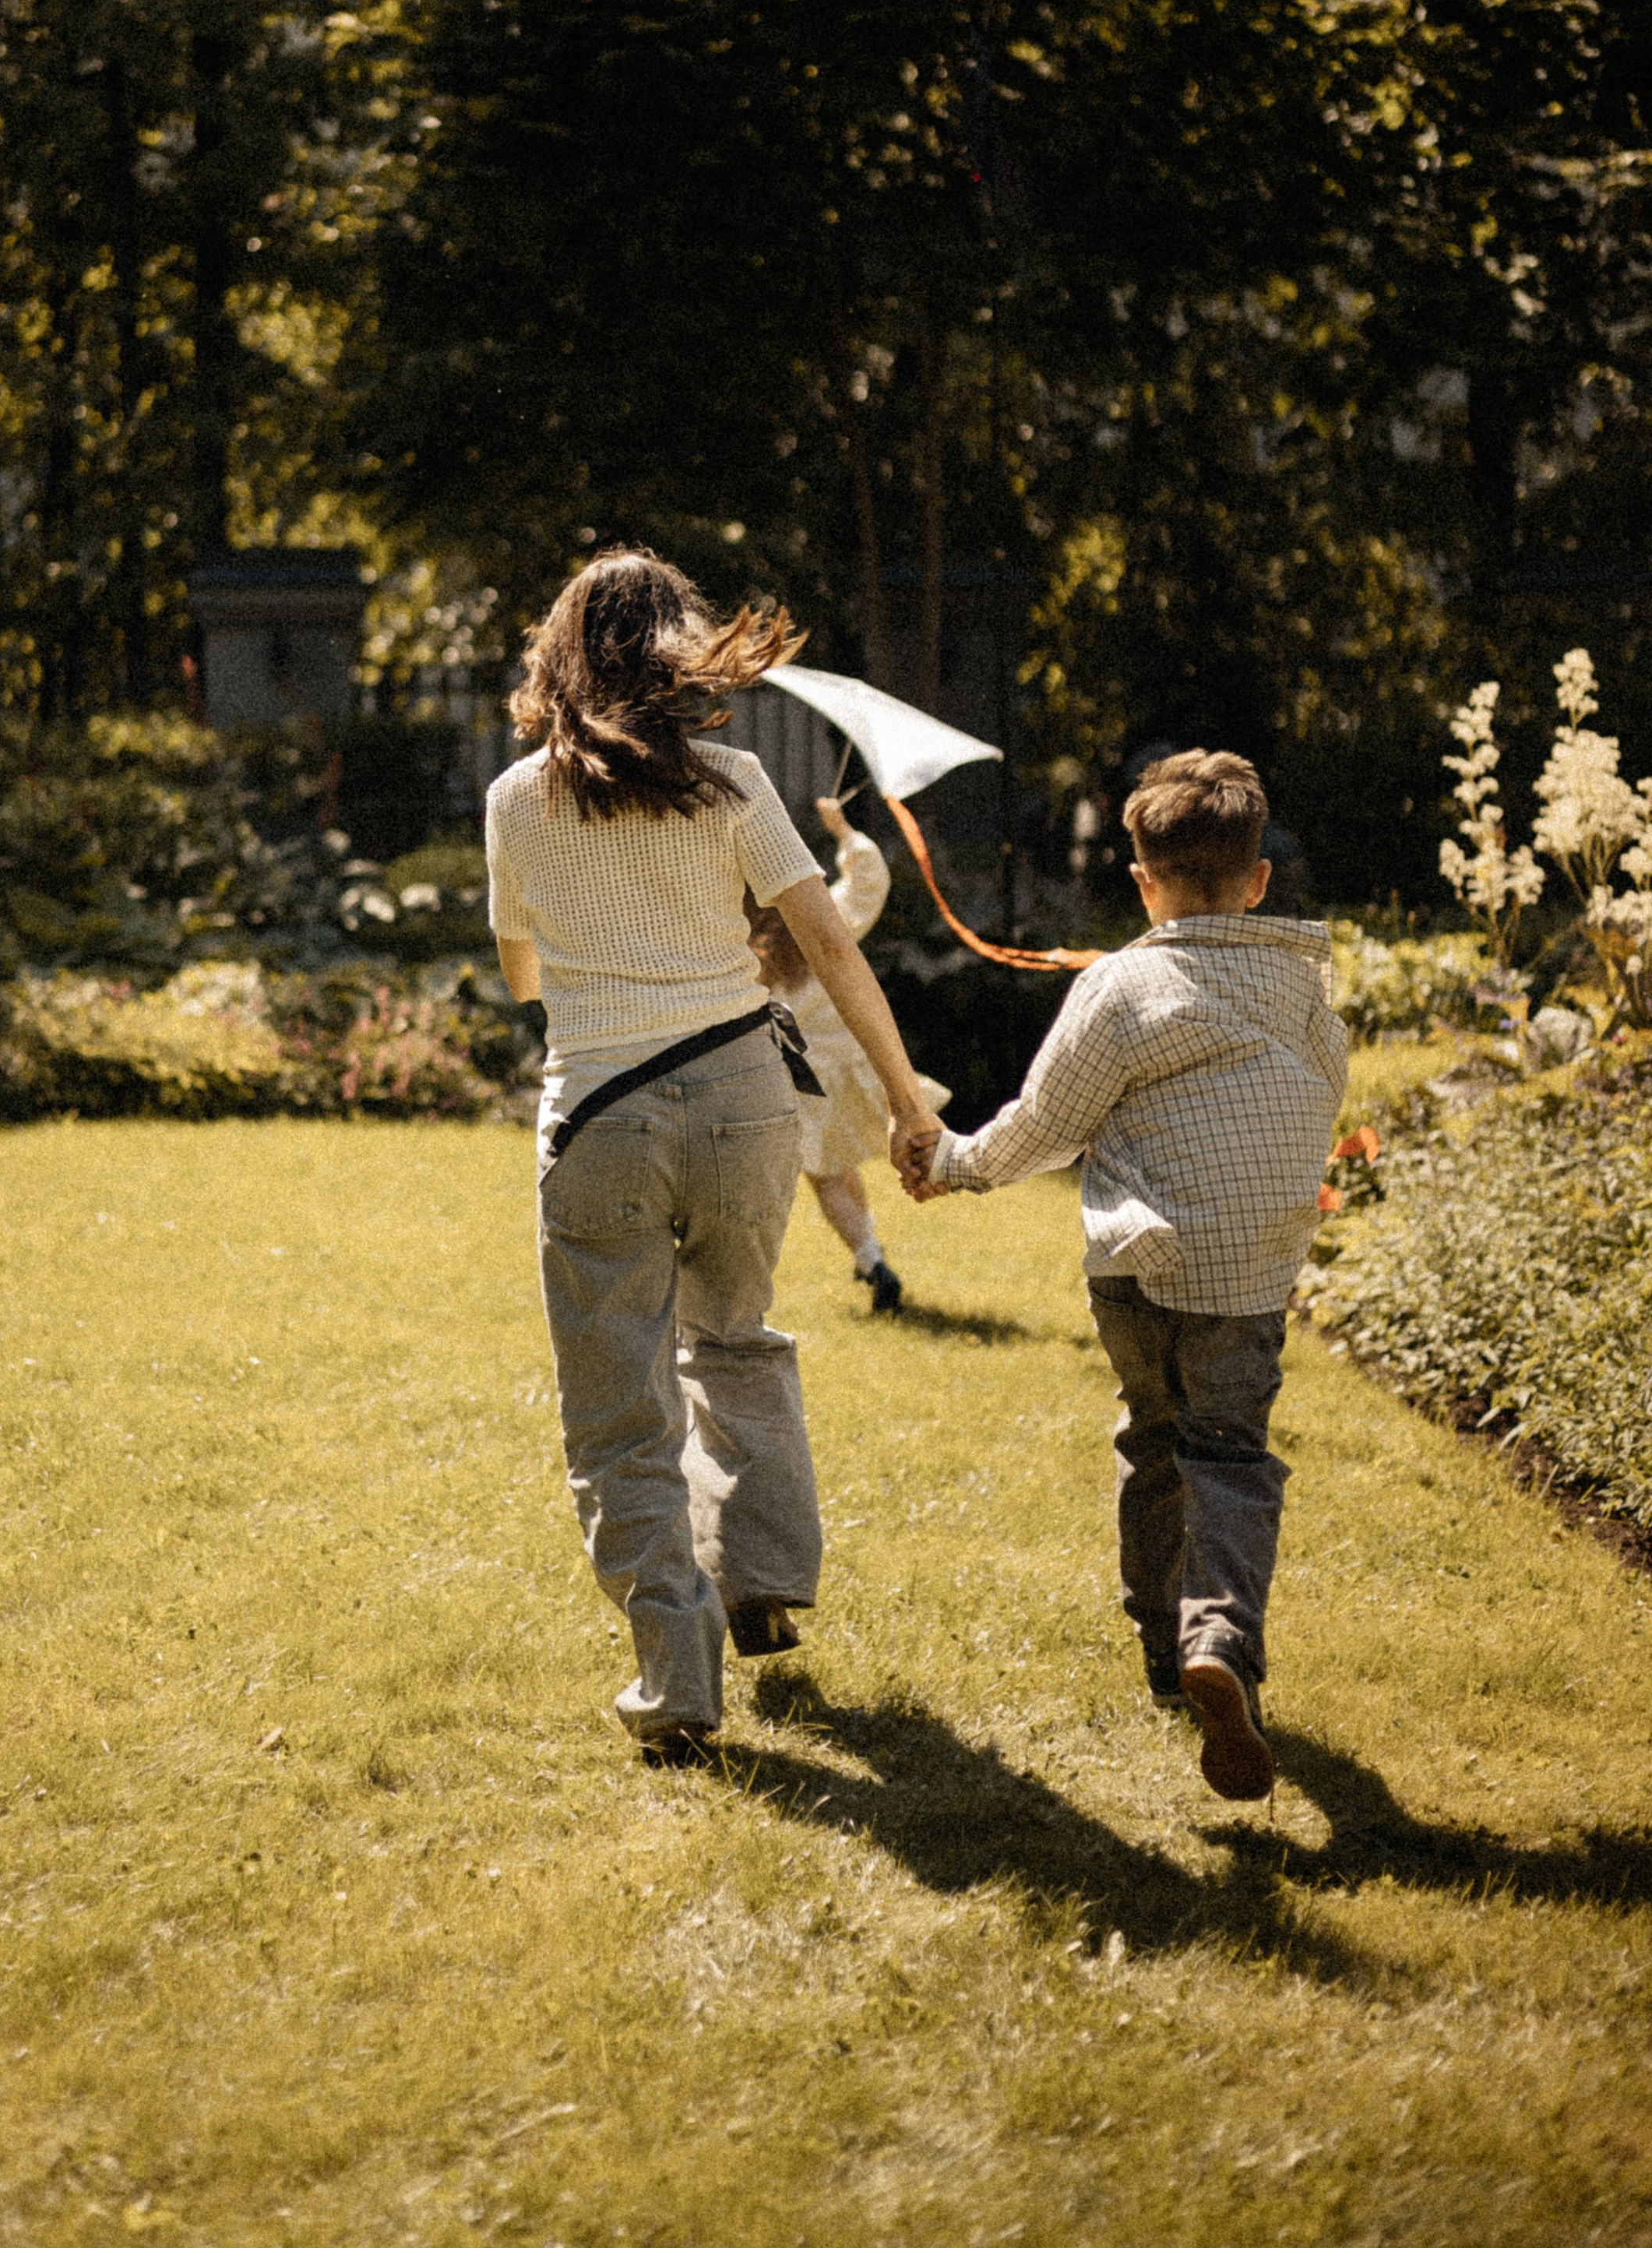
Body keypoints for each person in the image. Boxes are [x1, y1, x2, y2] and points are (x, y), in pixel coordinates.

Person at [487, 550, 942, 1769]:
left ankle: (674, 1678)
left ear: (560, 657)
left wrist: (586, 955)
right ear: (681, 651)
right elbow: (833, 952)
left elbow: (521, 973)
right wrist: (906, 1103)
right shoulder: (735, 785)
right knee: (737, 1337)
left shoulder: (517, 799)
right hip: (748, 1101)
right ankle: (766, 1583)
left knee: (618, 1407)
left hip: (601, 1116)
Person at [902, 749, 1347, 1802]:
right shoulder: (1303, 986)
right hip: (1247, 1280)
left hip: (1140, 1276)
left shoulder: (1121, 986)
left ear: (1141, 882)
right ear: (1260, 878)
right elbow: (1324, 1092)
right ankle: (1219, 1644)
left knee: (1152, 1439)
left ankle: (1163, 1650)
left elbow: (1047, 1126)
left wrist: (951, 1164)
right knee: (1229, 1458)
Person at [748, 794, 949, 1318]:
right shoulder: (822, 919)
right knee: (839, 1166)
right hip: (854, 1068)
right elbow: (868, 882)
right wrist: (843, 831)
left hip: (803, 1078)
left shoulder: (748, 948)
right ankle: (870, 1256)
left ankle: (872, 1260)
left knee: (828, 1177)